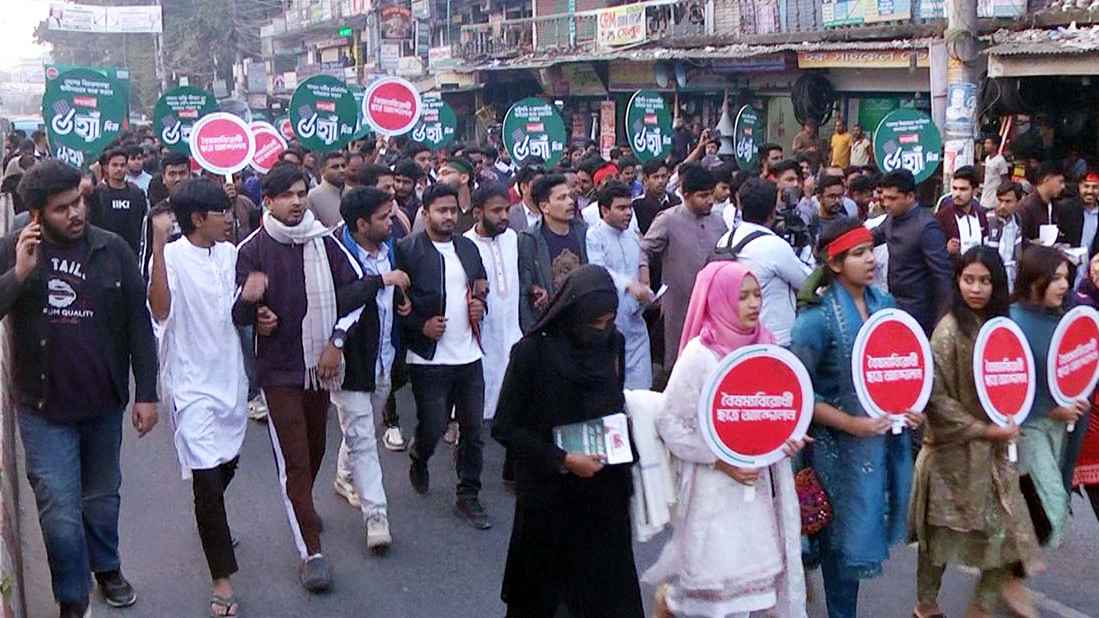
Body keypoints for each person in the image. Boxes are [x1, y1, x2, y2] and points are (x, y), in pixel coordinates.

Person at [1, 160, 158, 617]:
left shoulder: (113, 251)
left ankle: (107, 568)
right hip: (43, 409)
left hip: (103, 404)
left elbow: (138, 325)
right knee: (61, 513)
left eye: (79, 202)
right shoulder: (16, 250)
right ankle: (72, 597)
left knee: (103, 497)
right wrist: (20, 275)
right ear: (35, 215)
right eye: (61, 208)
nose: (75, 214)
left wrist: (146, 392)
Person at [233, 163, 375, 592]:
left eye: (301, 193)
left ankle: (304, 506)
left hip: (320, 368)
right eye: (287, 195)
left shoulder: (325, 243)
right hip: (278, 371)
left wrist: (336, 341)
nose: (296, 202)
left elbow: (359, 292)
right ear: (268, 201)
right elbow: (236, 314)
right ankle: (310, 551)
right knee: (294, 459)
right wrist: (253, 306)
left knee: (314, 450)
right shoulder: (251, 250)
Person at [645, 261, 807, 618]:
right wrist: (720, 460)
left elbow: (772, 412)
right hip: (712, 492)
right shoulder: (699, 356)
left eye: (757, 295)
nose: (752, 304)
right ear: (718, 300)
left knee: (752, 595)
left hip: (759, 492)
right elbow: (670, 421)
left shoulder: (767, 347)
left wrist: (787, 440)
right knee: (709, 597)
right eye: (741, 297)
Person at [492, 265, 644, 618]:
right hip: (549, 500)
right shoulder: (532, 353)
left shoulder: (613, 343)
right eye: (595, 323)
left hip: (603, 497)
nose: (601, 330)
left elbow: (613, 402)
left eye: (608, 321)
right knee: (545, 601)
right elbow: (506, 427)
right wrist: (561, 459)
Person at [791, 217, 921, 618]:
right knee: (839, 547)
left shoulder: (885, 307)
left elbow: (900, 366)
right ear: (834, 263)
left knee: (860, 535)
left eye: (870, 251)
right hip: (835, 454)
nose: (870, 260)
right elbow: (797, 392)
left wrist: (909, 405)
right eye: (859, 253)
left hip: (879, 444)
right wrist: (850, 423)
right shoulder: (816, 320)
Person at [910, 247, 1042, 618]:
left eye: (985, 281)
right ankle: (925, 607)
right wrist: (983, 429)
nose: (977, 288)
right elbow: (936, 399)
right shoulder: (948, 331)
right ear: (957, 281)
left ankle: (980, 610)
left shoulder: (1003, 328)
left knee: (1006, 539)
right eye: (969, 279)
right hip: (950, 457)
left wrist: (1010, 421)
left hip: (995, 457)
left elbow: (1015, 382)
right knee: (937, 543)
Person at [146, 178, 249, 618]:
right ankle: (222, 579)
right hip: (190, 385)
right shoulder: (169, 258)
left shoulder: (231, 254)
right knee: (207, 479)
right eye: (221, 213)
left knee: (227, 465)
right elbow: (161, 309)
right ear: (196, 219)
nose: (229, 219)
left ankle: (212, 517)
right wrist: (155, 245)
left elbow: (241, 308)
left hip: (231, 378)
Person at [395, 182, 491, 529]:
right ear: (426, 213)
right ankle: (420, 455)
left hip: (468, 356)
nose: (449, 216)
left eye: (453, 210)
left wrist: (481, 306)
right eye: (441, 211)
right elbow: (395, 305)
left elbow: (479, 288)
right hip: (429, 358)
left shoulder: (467, 248)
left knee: (473, 430)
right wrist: (420, 327)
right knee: (433, 425)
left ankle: (468, 495)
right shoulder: (407, 250)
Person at [330, 186, 412, 552]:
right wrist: (381, 281)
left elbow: (395, 295)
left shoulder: (392, 248)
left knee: (364, 426)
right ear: (361, 224)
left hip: (385, 358)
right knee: (363, 436)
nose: (391, 222)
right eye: (383, 218)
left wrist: (402, 304)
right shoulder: (333, 251)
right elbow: (337, 299)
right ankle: (376, 516)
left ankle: (344, 476)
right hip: (349, 362)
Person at [1011, 246, 1084, 552]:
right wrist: (1052, 409)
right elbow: (1009, 384)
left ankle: (1006, 572)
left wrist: (1079, 397)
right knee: (1050, 506)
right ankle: (1008, 570)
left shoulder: (1065, 319)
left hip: (1063, 425)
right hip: (1028, 428)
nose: (1064, 285)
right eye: (1055, 278)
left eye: (1066, 278)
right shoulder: (1011, 322)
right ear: (1033, 280)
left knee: (1033, 502)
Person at [641, 162, 727, 371]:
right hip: (678, 305)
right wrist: (645, 280)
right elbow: (643, 250)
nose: (709, 201)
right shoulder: (668, 220)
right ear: (686, 194)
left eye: (710, 195)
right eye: (703, 196)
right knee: (678, 362)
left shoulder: (719, 222)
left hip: (713, 306)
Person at [716, 178, 813, 347]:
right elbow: (808, 282)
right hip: (775, 341)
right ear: (773, 212)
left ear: (740, 205)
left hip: (736, 338)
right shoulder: (773, 246)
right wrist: (806, 248)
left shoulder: (725, 240)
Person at [463, 183, 522, 419]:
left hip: (513, 331)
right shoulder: (465, 245)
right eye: (496, 211)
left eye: (506, 210)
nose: (504, 216)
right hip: (483, 337)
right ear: (478, 213)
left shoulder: (512, 238)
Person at [586, 181, 652, 389]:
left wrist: (645, 291)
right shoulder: (594, 236)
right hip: (608, 322)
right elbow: (599, 271)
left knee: (641, 389)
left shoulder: (632, 237)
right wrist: (628, 285)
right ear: (605, 210)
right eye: (621, 208)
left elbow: (640, 266)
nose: (628, 213)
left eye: (630, 207)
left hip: (635, 319)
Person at [872, 170, 953, 335]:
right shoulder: (891, 219)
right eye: (884, 197)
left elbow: (942, 276)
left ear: (910, 196)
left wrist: (942, 321)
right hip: (894, 305)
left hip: (920, 312)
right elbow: (871, 237)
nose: (886, 203)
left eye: (892, 198)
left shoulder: (927, 227)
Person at [517, 173, 588, 334]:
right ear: (544, 207)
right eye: (561, 198)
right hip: (550, 325)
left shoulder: (584, 232)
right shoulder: (529, 239)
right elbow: (524, 286)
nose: (570, 202)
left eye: (570, 196)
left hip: (583, 320)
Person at [90, 147, 150, 258]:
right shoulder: (97, 193)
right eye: (115, 165)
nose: (119, 169)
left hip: (131, 253)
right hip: (103, 253)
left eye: (122, 165)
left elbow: (142, 221)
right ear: (107, 168)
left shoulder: (137, 193)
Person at [935, 165, 987, 258]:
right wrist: (945, 250)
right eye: (955, 188)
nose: (957, 194)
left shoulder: (981, 215)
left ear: (975, 191)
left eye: (963, 189)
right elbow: (931, 251)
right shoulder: (942, 217)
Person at [985, 182, 1025, 293]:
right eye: (1000, 200)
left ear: (1018, 202)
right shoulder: (987, 220)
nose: (1002, 206)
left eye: (1008, 202)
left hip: (1011, 278)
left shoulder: (1017, 220)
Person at [1054, 170, 1099, 264]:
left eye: (1095, 187)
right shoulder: (1065, 209)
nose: (1090, 191)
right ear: (1079, 187)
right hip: (1066, 268)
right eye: (1086, 186)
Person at [1019, 163, 1066, 244]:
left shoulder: (1056, 206)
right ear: (1047, 179)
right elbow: (1017, 239)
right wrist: (1030, 243)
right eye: (1060, 182)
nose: (1063, 186)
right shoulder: (1025, 207)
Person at [632, 159, 680, 235]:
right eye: (655, 177)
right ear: (646, 179)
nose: (660, 181)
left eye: (663, 176)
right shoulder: (637, 205)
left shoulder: (676, 202)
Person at [305, 151, 347, 228]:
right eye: (335, 167)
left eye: (343, 166)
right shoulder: (313, 196)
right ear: (322, 171)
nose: (341, 170)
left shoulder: (353, 192)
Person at [508, 164, 545, 233]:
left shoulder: (551, 211)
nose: (542, 188)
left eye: (544, 184)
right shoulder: (510, 216)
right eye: (538, 183)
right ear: (524, 187)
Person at [981, 136, 1011, 212]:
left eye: (988, 143)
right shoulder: (987, 158)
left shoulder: (1000, 160)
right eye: (985, 143)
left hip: (994, 200)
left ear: (994, 146)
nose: (985, 145)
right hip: (985, 197)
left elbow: (1005, 180)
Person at [392, 158, 424, 224]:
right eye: (398, 181)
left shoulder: (419, 207)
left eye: (406, 182)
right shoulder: (387, 205)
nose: (401, 186)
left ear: (415, 183)